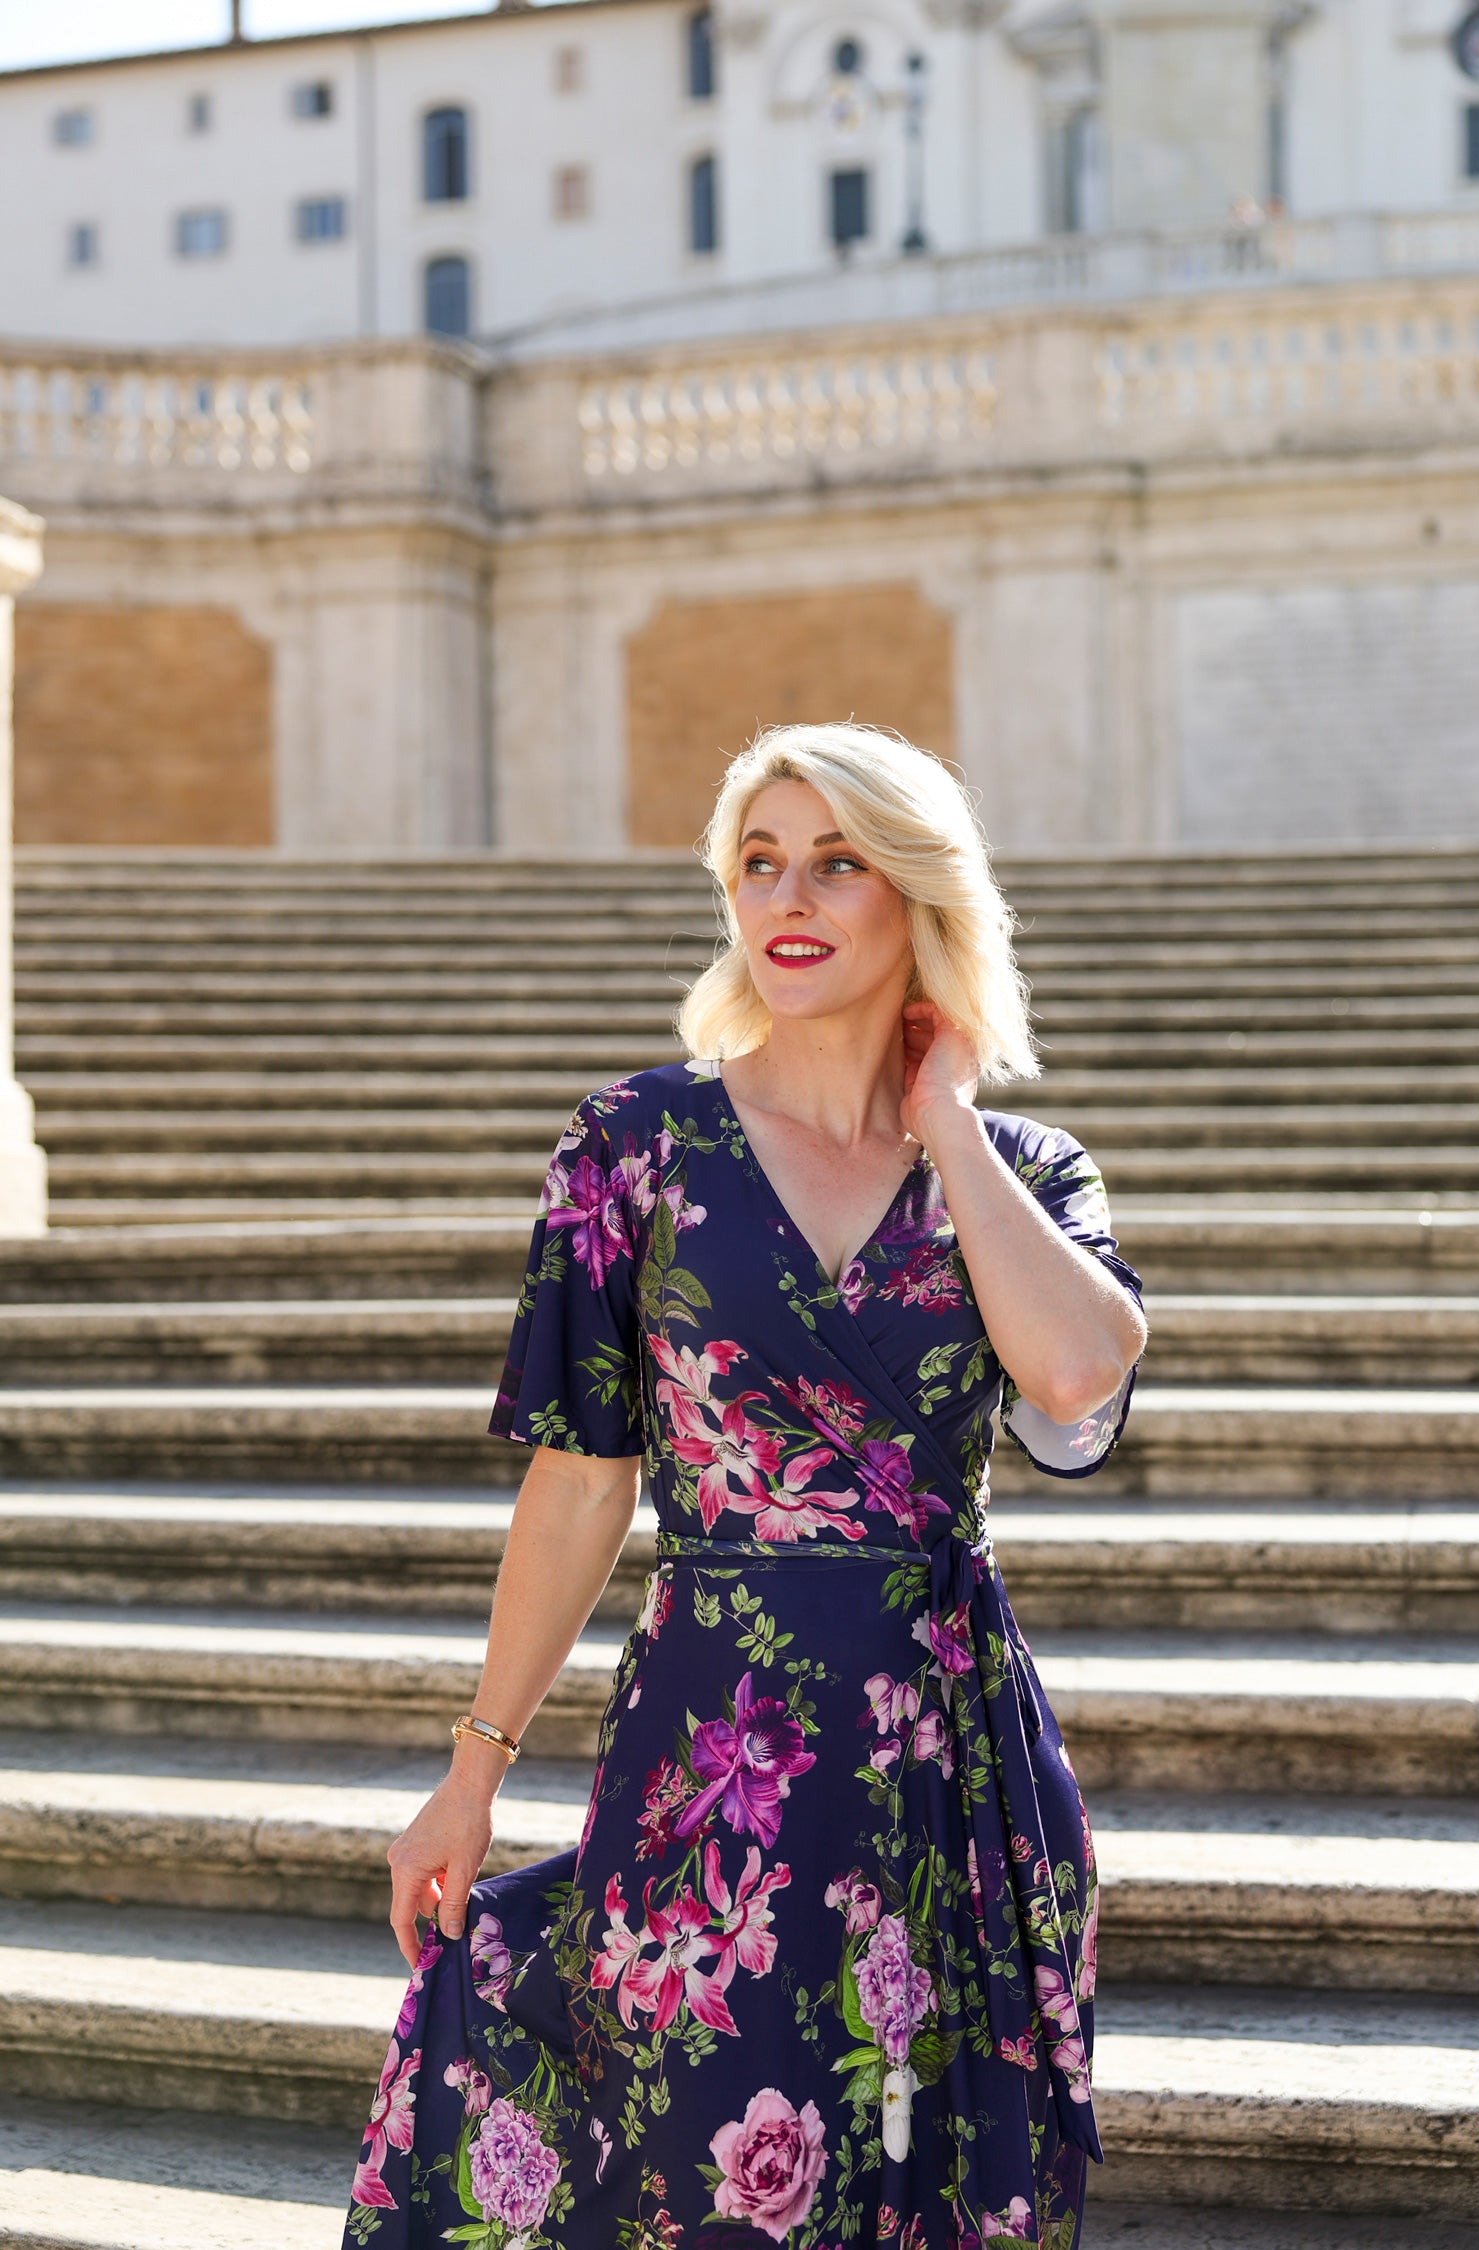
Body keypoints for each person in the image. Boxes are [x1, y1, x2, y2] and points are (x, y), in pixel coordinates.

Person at [344, 722, 1148, 2250]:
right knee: (714, 2178)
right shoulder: (634, 1150)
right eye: (761, 861)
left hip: (949, 1749)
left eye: (841, 861)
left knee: (941, 2187)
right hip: (718, 1753)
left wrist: (950, 1125)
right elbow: (582, 1483)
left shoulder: (1028, 1172)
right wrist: (472, 1767)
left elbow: (1072, 1373)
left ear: (918, 895)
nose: (792, 894)